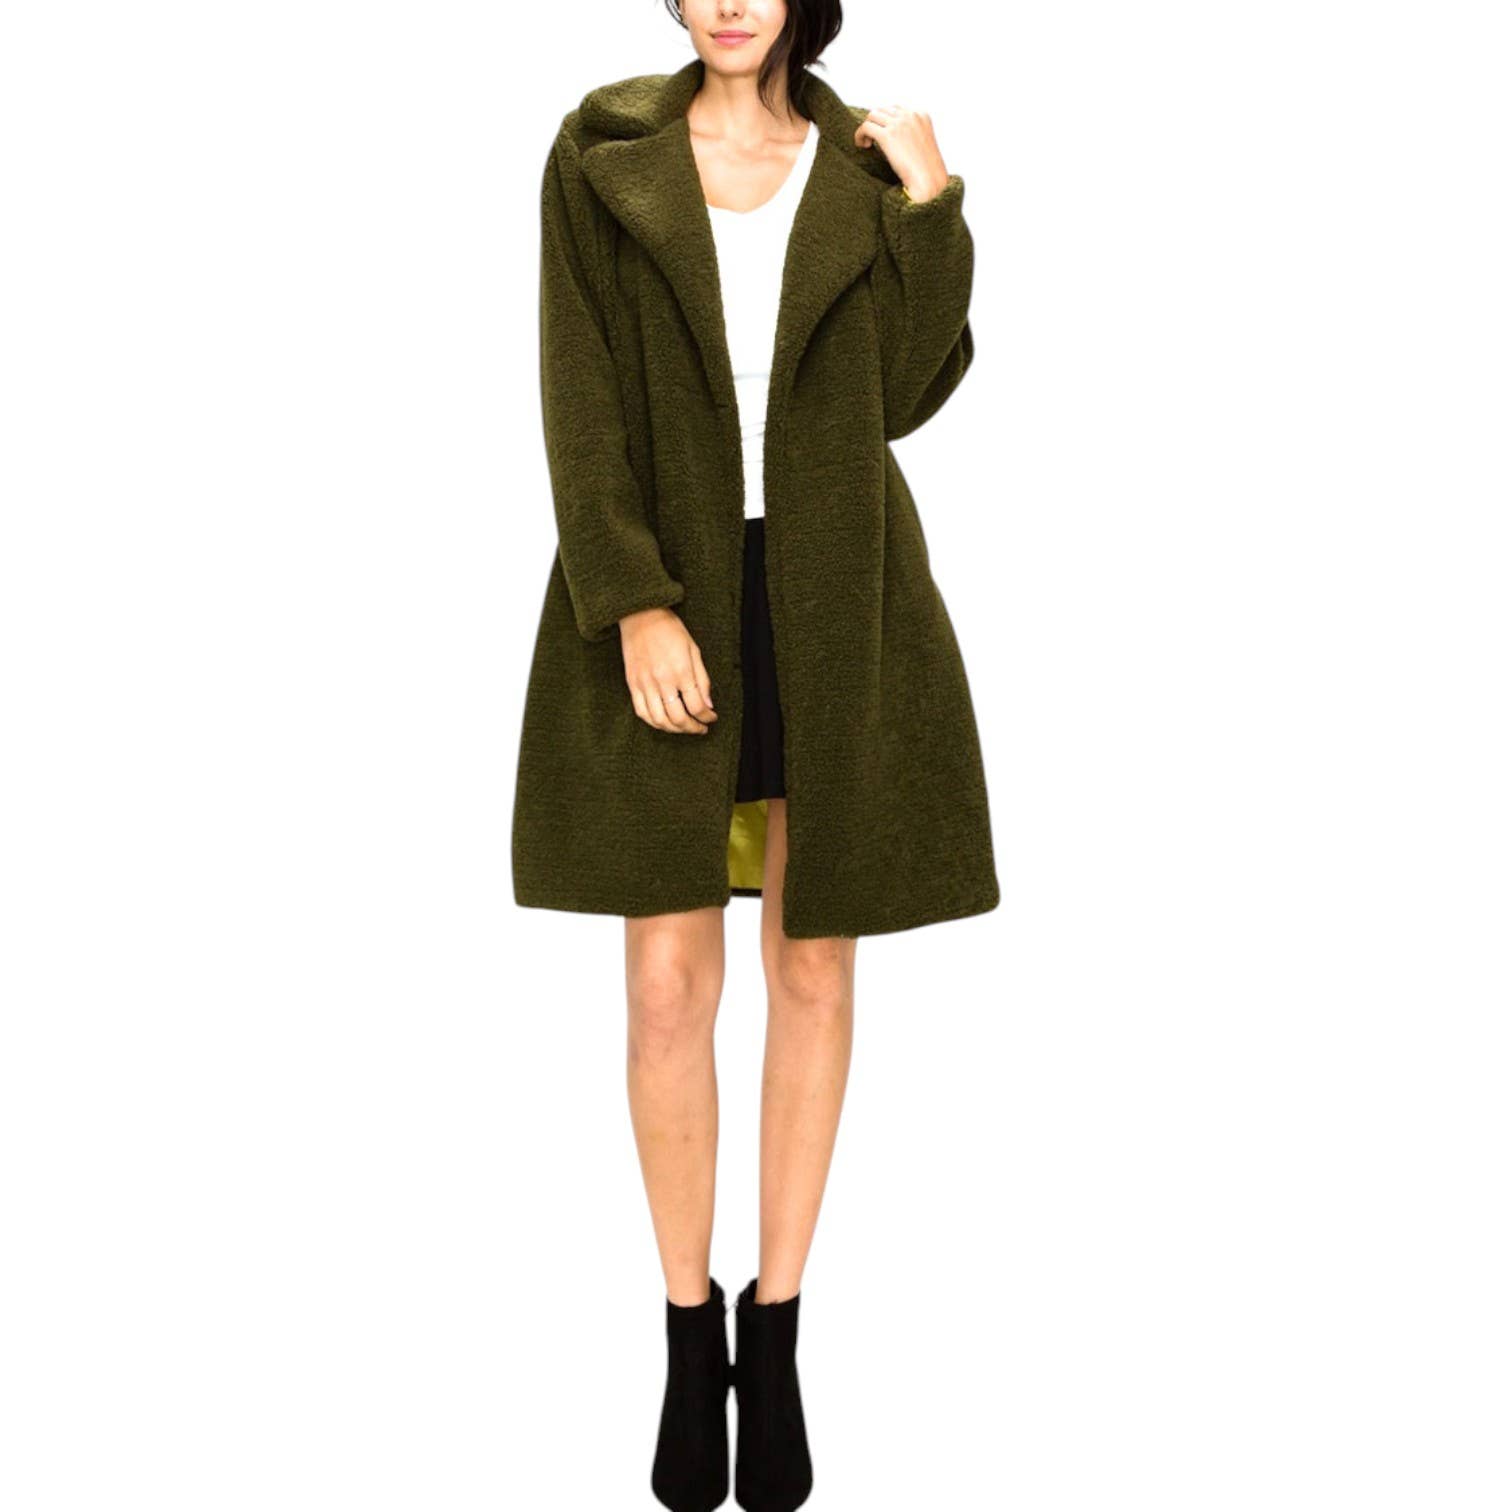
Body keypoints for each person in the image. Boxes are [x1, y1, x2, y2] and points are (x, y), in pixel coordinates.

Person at [512, 2, 999, 1507]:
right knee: (668, 983)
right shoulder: (601, 150)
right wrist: (635, 602)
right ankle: (686, 1330)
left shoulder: (859, 167)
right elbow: (578, 395)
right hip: (671, 595)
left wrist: (931, 205)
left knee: (813, 963)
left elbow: (908, 392)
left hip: (835, 599)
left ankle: (776, 1332)